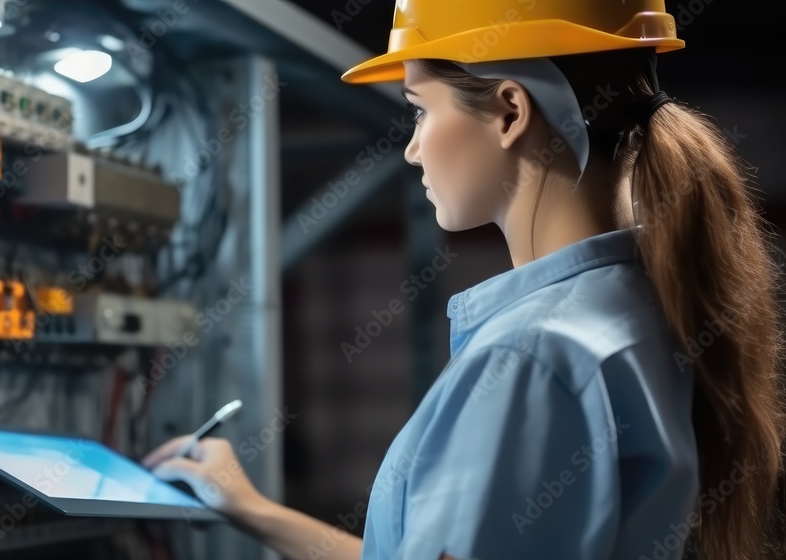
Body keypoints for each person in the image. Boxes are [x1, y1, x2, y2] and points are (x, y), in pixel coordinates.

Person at [143, 1, 785, 558]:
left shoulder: (532, 357)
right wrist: (250, 507)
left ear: (510, 111)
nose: (412, 147)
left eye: (420, 109)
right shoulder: (635, 309)